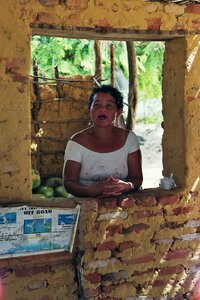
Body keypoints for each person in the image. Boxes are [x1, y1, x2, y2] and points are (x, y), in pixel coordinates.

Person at [63, 84, 143, 197]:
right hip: (83, 206)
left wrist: (126, 186)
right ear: (89, 110)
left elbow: (137, 178)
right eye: (96, 105)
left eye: (109, 106)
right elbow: (69, 183)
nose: (102, 109)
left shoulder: (129, 139)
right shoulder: (77, 142)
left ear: (119, 112)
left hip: (121, 206)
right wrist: (92, 191)